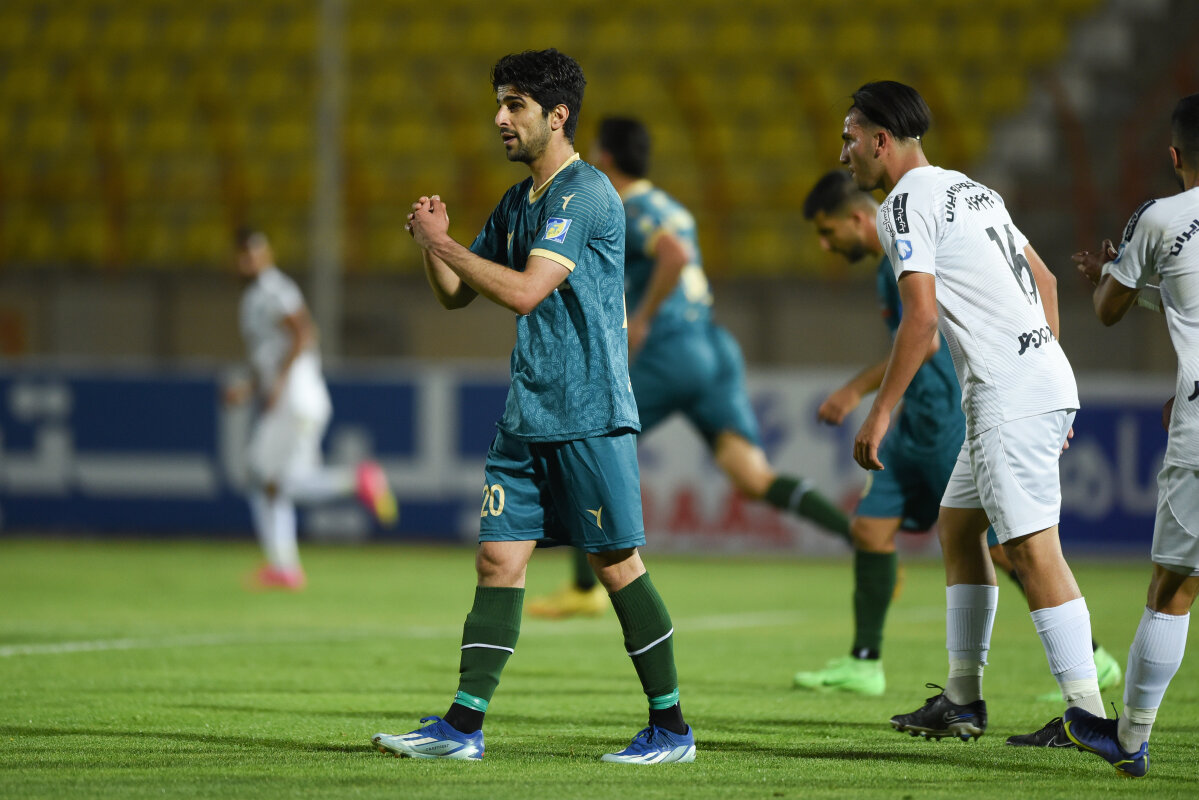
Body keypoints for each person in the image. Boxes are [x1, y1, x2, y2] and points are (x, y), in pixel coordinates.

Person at [370, 50, 695, 764]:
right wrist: (432, 245)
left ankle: (671, 728)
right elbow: (455, 295)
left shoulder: (586, 194)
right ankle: (463, 727)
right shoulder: (518, 202)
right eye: (499, 103)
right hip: (528, 415)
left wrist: (443, 243)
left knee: (616, 566)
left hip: (587, 413)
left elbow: (522, 292)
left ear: (557, 115)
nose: (499, 118)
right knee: (496, 560)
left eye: (514, 104)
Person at [837, 80, 1103, 745]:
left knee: (1031, 550)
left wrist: (879, 412)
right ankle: (961, 699)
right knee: (958, 527)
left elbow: (921, 319)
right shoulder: (970, 189)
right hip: (1033, 377)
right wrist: (1043, 369)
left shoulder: (902, 205)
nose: (843, 154)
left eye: (849, 139)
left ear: (880, 140)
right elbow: (1044, 281)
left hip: (1007, 392)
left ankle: (1089, 716)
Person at [795, 172, 1121, 712]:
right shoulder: (932, 229)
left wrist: (862, 395)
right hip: (922, 422)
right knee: (887, 529)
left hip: (960, 415)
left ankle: (1089, 675)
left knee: (1010, 547)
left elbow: (923, 334)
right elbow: (1043, 281)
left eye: (828, 233)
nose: (826, 246)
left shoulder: (909, 240)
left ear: (855, 218)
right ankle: (878, 665)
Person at [527, 117, 851, 620]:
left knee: (587, 441)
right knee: (753, 477)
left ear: (605, 158)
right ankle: (861, 538)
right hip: (713, 345)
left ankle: (584, 588)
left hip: (672, 349)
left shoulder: (627, 206)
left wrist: (641, 319)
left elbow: (673, 256)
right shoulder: (670, 206)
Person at [1063, 93, 1199, 778]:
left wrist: (1113, 278)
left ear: (1173, 155)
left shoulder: (1160, 218)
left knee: (1173, 587)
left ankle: (1130, 737)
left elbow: (1106, 310)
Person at [226, 227, 397, 590]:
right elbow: (271, 352)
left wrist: (279, 384)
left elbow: (303, 332)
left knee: (268, 477)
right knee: (274, 481)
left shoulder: (273, 289)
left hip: (294, 398)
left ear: (265, 255)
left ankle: (356, 482)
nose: (248, 262)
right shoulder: (256, 296)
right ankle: (284, 567)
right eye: (243, 256)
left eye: (254, 254)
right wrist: (250, 387)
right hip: (298, 399)